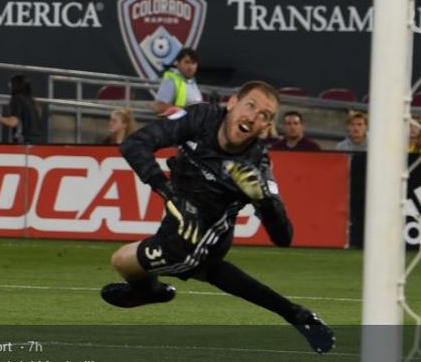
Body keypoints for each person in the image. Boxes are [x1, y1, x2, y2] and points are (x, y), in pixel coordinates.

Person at [101, 81, 335, 355]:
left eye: (265, 116)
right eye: (251, 105)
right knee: (208, 271)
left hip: (199, 235)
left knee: (126, 261)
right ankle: (298, 316)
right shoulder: (200, 117)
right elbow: (135, 143)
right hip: (180, 218)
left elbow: (284, 237)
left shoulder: (255, 165)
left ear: (265, 128)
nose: (254, 117)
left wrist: (263, 199)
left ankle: (151, 293)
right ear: (232, 103)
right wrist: (169, 194)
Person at [0, 74, 43, 144]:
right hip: (37, 141)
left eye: (11, 83)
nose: (9, 85)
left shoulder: (17, 99)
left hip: (24, 141)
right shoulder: (33, 100)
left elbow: (12, 122)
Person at [152, 48, 202, 116]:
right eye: (187, 62)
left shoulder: (192, 81)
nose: (190, 67)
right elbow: (159, 106)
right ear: (178, 63)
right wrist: (185, 111)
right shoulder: (171, 80)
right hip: (177, 125)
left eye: (193, 63)